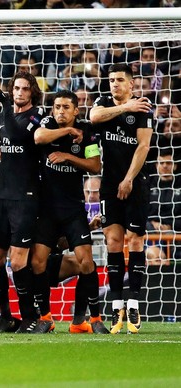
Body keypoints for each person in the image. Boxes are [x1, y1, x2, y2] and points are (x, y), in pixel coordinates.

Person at [30, 90, 108, 334]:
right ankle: (45, 317)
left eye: (66, 107)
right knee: (37, 262)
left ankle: (92, 319)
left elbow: (95, 166)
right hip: (46, 209)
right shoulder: (48, 124)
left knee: (87, 262)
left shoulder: (88, 132)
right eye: (57, 107)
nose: (60, 111)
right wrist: (66, 131)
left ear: (76, 110)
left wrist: (67, 156)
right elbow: (39, 137)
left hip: (73, 208)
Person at [90, 63, 153, 334]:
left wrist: (128, 179)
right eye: (111, 80)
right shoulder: (105, 103)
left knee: (135, 241)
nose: (114, 84)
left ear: (131, 84)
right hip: (109, 185)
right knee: (113, 241)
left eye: (119, 80)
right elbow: (94, 117)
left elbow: (144, 145)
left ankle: (134, 302)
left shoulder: (143, 109)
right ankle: (117, 304)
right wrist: (125, 108)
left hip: (136, 183)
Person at [0, 71, 44, 333]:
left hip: (26, 197)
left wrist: (6, 104)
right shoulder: (5, 114)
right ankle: (6, 317)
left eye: (24, 89)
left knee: (19, 262)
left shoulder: (37, 117)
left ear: (32, 92)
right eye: (15, 88)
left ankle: (32, 317)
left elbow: (19, 134)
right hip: (3, 197)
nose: (19, 92)